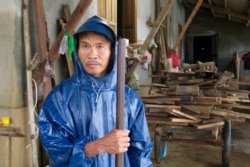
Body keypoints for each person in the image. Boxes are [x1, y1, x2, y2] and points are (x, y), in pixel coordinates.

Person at [38, 15, 153, 167]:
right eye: (85, 46)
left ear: (112, 51)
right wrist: (96, 147)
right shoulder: (60, 97)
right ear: (77, 51)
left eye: (100, 46)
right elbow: (55, 149)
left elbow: (141, 154)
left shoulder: (129, 99)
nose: (92, 54)